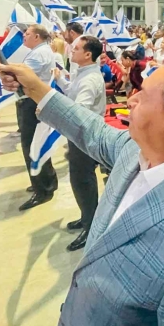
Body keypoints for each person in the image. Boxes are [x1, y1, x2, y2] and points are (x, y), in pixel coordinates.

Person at [0, 56, 164, 326]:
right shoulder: (136, 150)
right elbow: (92, 131)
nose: (131, 100)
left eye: (144, 96)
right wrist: (35, 88)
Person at [53, 36, 107, 252]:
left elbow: (79, 110)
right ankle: (87, 217)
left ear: (88, 55)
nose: (71, 51)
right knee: (79, 180)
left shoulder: (90, 79)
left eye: (75, 48)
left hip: (85, 136)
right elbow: (72, 92)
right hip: (78, 135)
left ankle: (91, 225)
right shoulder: (82, 73)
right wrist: (60, 80)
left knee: (83, 181)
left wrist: (54, 111)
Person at [17, 25, 59, 210]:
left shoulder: (38, 54)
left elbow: (23, 78)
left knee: (32, 146)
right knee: (38, 143)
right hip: (35, 100)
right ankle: (47, 181)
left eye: (26, 34)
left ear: (36, 36)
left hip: (32, 101)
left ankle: (42, 190)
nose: (23, 37)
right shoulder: (41, 51)